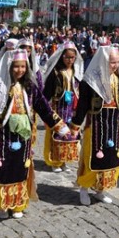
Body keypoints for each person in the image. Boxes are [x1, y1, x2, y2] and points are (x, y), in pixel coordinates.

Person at [0, 49, 70, 219]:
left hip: (24, 135)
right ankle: (2, 204)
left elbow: (44, 108)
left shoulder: (30, 86)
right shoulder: (0, 86)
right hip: (6, 134)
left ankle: (18, 203)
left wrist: (58, 125)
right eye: (16, 67)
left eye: (23, 66)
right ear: (9, 67)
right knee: (5, 167)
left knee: (21, 167)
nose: (20, 70)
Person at [69, 46, 119, 206]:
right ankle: (84, 188)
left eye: (116, 62)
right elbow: (83, 104)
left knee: (110, 157)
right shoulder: (91, 80)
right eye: (111, 63)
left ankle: (100, 190)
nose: (114, 66)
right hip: (95, 124)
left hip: (114, 124)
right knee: (91, 156)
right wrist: (75, 125)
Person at [42, 41, 84, 172]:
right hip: (58, 107)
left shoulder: (76, 72)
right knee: (58, 132)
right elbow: (47, 92)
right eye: (67, 57)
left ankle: (64, 159)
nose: (70, 60)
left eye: (72, 57)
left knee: (70, 133)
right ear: (62, 56)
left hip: (71, 107)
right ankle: (55, 161)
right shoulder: (55, 72)